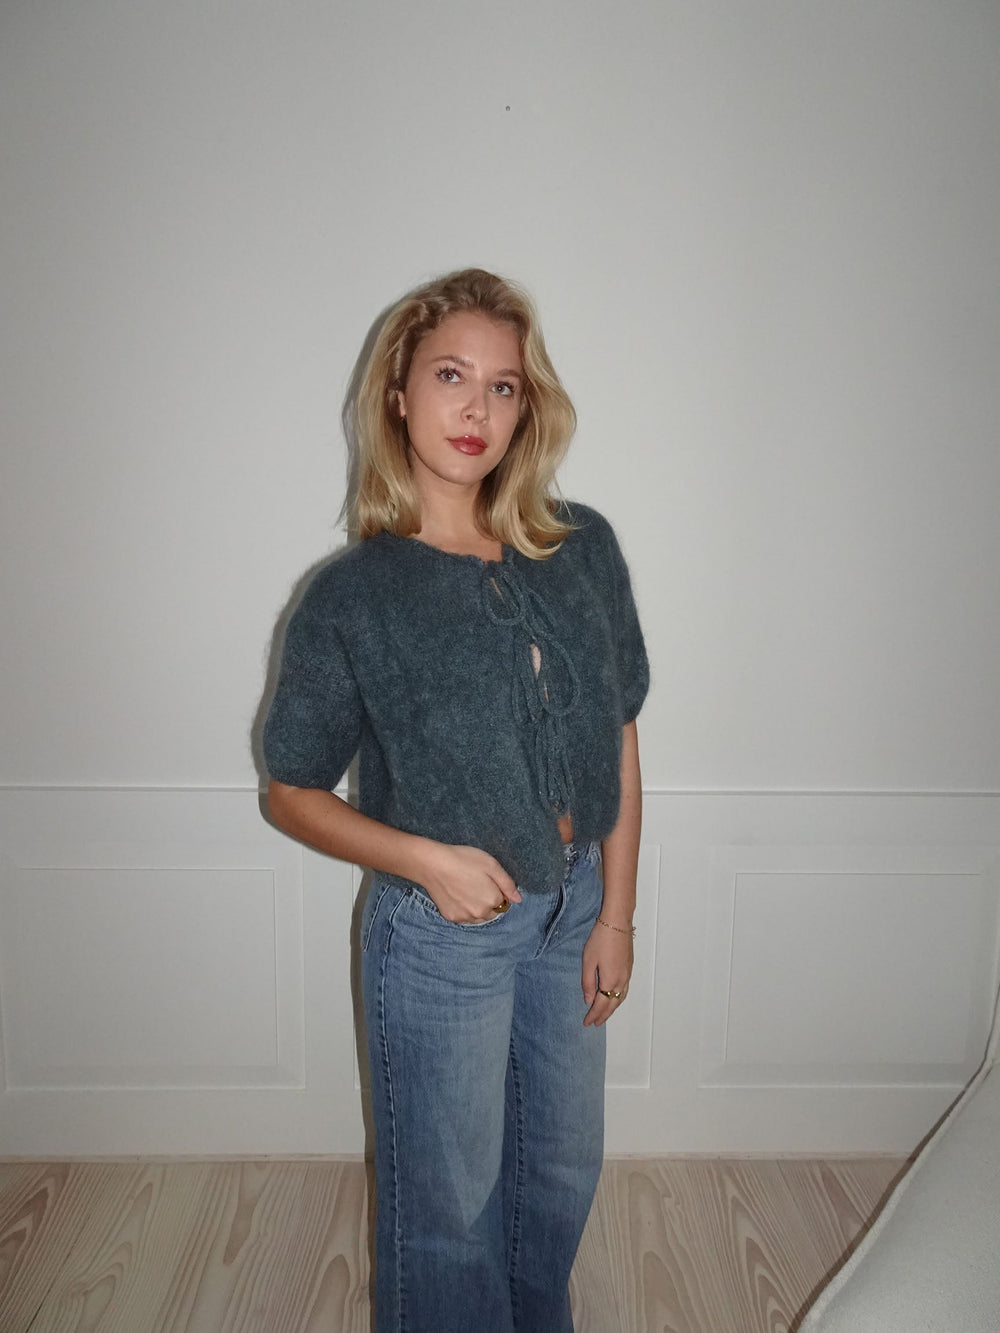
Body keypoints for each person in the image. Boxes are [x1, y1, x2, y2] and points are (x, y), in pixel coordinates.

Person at [262, 268, 649, 1333]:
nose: (477, 407)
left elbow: (619, 733)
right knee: (448, 1212)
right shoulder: (354, 595)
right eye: (450, 376)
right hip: (441, 934)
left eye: (503, 385)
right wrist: (425, 859)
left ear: (529, 406)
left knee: (559, 1173)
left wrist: (615, 912)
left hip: (574, 907)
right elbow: (290, 789)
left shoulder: (581, 547)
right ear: (397, 394)